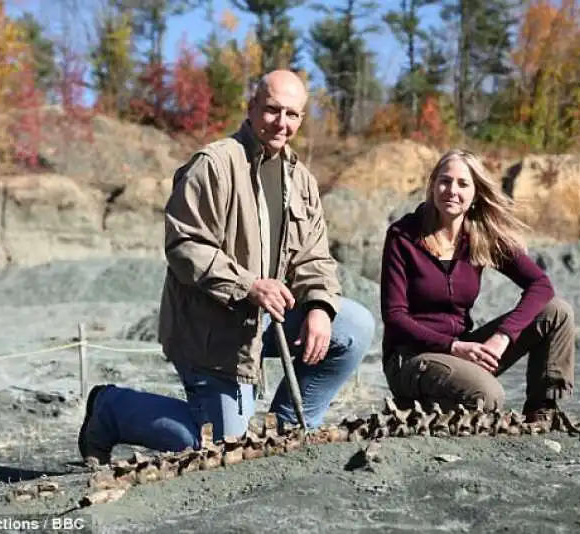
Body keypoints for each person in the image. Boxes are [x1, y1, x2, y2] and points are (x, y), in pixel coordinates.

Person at [78, 70, 375, 464]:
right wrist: (249, 285)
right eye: (272, 110)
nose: (282, 123)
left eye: (293, 114)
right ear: (251, 108)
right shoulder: (214, 165)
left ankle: (288, 427)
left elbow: (314, 256)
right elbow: (185, 245)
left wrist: (319, 307)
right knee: (221, 450)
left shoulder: (300, 179)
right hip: (214, 333)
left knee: (353, 324)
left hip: (267, 320)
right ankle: (111, 409)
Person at [380, 148, 576, 423]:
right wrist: (454, 347)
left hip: (464, 350)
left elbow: (540, 285)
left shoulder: (479, 235)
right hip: (411, 358)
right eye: (445, 181)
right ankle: (422, 406)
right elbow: (395, 317)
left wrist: (502, 337)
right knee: (488, 396)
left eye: (463, 184)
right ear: (433, 185)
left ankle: (541, 413)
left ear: (475, 193)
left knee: (557, 311)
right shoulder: (403, 236)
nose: (451, 190)